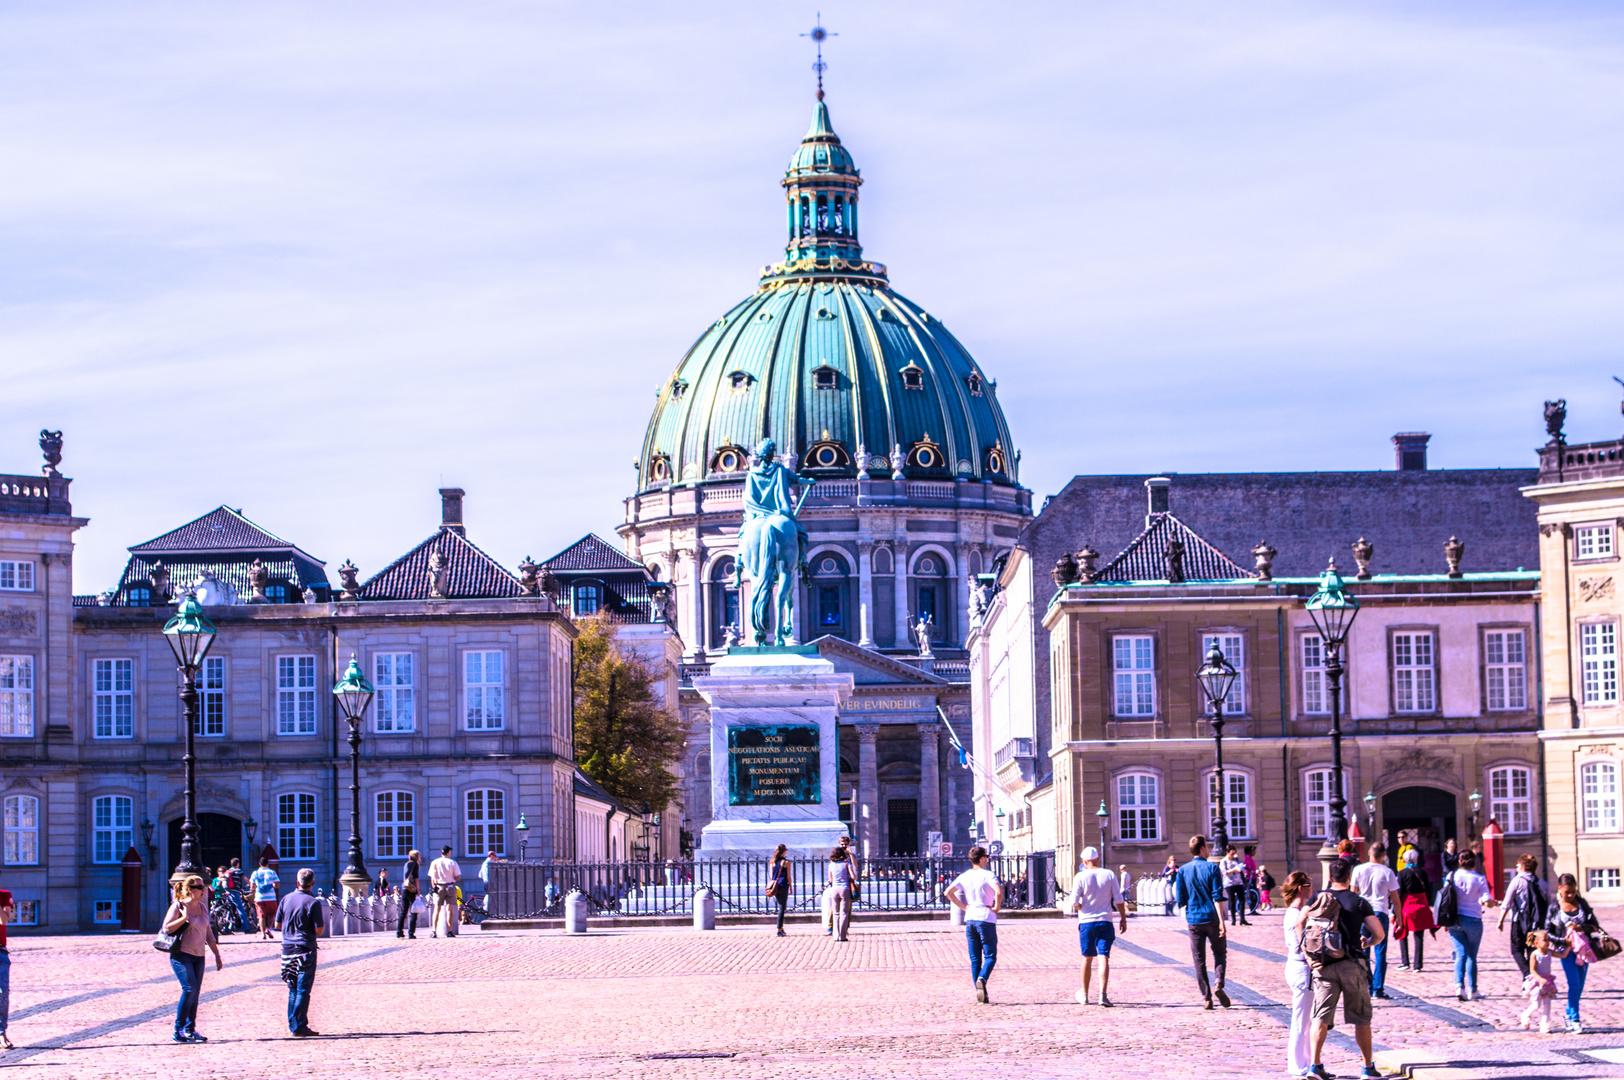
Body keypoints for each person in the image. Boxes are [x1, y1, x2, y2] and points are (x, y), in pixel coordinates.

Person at [1308, 857, 1385, 1080]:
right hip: (1352, 964)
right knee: (1361, 1017)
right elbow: (1378, 934)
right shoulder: (1358, 902)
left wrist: (1308, 958)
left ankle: (1315, 1065)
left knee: (1320, 1017)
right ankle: (1366, 1068)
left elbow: (1299, 925)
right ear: (1349, 877)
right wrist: (1367, 942)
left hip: (1323, 965)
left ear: (1330, 877)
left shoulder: (1317, 898)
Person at [161, 875, 222, 1043]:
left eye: (203, 887)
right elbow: (166, 928)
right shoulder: (178, 906)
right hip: (181, 955)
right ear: (190, 889)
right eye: (199, 887)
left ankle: (190, 1030)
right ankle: (178, 1029)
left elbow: (209, 934)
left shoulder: (202, 908)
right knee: (189, 989)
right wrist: (184, 918)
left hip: (199, 956)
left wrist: (217, 955)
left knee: (195, 993)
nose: (203, 890)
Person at [1174, 835, 1230, 1009]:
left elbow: (1180, 898)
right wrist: (1222, 921)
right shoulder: (1212, 868)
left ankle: (1206, 997)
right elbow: (1217, 896)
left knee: (1199, 960)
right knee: (1220, 953)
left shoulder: (1183, 870)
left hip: (1194, 920)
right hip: (1212, 917)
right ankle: (1219, 983)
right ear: (1203, 848)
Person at [1068, 846, 1126, 1007]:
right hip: (1105, 920)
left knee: (1087, 957)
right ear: (1097, 859)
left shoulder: (1080, 876)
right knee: (1103, 957)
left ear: (1085, 861)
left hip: (1086, 921)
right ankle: (1103, 995)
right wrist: (1123, 918)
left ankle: (1085, 994)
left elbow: (1073, 901)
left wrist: (1081, 908)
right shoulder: (1109, 874)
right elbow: (1118, 899)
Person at [1547, 872, 1605, 1033]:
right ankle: (1575, 1019)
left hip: (1584, 950)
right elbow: (1548, 931)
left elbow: (1594, 924)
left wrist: (1582, 927)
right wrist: (1563, 940)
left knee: (1580, 985)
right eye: (1567, 892)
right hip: (1566, 951)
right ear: (1559, 889)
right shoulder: (1554, 907)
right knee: (1574, 984)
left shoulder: (1582, 904)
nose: (1571, 895)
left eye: (1573, 891)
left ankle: (1568, 1012)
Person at [946, 846, 1003, 1004]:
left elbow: (948, 892)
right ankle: (982, 978)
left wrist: (964, 907)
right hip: (986, 917)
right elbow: (998, 891)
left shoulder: (965, 876)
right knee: (990, 956)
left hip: (970, 918)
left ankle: (981, 994)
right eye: (986, 857)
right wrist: (997, 907)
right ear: (982, 858)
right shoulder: (988, 875)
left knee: (975, 958)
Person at [274, 867, 326, 1037]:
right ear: (313, 883)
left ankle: (293, 1023)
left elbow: (277, 925)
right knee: (303, 990)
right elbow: (319, 930)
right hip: (305, 949)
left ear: (297, 882)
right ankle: (299, 1025)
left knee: (293, 989)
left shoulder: (286, 899)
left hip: (287, 949)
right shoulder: (313, 903)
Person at [1445, 849, 1498, 1001]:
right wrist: (1492, 904)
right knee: (1471, 956)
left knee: (1460, 954)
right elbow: (1487, 902)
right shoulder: (1479, 878)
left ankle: (1458, 986)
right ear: (1474, 862)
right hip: (1473, 919)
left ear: (1460, 861)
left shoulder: (1451, 875)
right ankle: (1473, 990)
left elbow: (1445, 896)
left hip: (1455, 919)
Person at [1350, 842, 1399, 998]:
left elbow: (1353, 894)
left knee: (1363, 950)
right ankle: (1378, 989)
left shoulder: (1358, 869)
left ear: (1369, 852)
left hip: (1362, 911)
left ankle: (1367, 984)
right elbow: (1395, 899)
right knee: (1380, 952)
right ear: (1384, 855)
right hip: (1379, 912)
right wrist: (1400, 917)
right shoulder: (1388, 872)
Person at [1280, 871, 1315, 1078]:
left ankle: (1308, 1063)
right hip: (1301, 968)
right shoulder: (1295, 914)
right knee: (1301, 1021)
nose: (1312, 888)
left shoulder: (1294, 912)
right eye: (1309, 885)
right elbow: (1298, 944)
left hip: (1297, 966)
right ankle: (1298, 1066)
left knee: (1306, 1020)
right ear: (1301, 888)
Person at [1497, 854, 1549, 980]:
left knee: (1516, 950)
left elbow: (1507, 903)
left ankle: (1528, 974)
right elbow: (1549, 902)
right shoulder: (1541, 883)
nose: (1517, 868)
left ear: (1522, 866)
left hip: (1519, 922)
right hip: (1536, 923)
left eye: (1518, 865)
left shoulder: (1517, 881)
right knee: (1531, 950)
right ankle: (1531, 979)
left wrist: (1500, 921)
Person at [1394, 849, 1434, 971]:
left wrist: (1395, 910)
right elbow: (1428, 891)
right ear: (1416, 859)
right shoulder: (1422, 873)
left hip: (1406, 906)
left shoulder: (1402, 873)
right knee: (1419, 936)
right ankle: (1417, 965)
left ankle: (1405, 961)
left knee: (1402, 933)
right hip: (1420, 905)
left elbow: (1399, 892)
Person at [1518, 929, 1557, 1034]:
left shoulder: (1549, 952)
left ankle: (1544, 1023)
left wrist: (1569, 945)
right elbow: (1532, 970)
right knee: (1536, 1004)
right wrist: (1540, 979)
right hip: (1537, 983)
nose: (1548, 942)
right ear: (1536, 943)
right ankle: (1526, 1015)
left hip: (1547, 982)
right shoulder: (1535, 954)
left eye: (1548, 940)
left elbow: (1562, 955)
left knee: (1547, 1003)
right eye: (1545, 940)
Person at [429, 846, 462, 938]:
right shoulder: (452, 862)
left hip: (439, 886)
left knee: (437, 909)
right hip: (450, 886)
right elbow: (458, 876)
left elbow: (432, 877)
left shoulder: (435, 862)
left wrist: (434, 886)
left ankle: (434, 931)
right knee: (449, 910)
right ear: (448, 853)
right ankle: (450, 931)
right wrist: (452, 878)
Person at [826, 845, 856, 942]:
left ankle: (836, 935)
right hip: (845, 889)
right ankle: (842, 936)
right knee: (844, 912)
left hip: (834, 889)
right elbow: (854, 876)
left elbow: (830, 879)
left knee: (836, 913)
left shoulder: (831, 865)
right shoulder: (847, 864)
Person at [249, 857, 280, 940]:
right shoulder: (272, 872)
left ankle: (263, 933)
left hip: (259, 897)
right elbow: (277, 885)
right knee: (272, 914)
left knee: (261, 916)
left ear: (259, 864)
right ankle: (268, 929)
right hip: (271, 897)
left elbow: (252, 887)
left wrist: (257, 888)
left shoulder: (255, 873)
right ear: (267, 863)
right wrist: (271, 885)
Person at [1220, 846, 1249, 927]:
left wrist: (1241, 867)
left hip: (1238, 882)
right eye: (1231, 853)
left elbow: (1239, 868)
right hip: (1229, 883)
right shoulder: (1224, 861)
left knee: (1242, 899)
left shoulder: (1235, 859)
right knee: (1232, 900)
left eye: (1234, 853)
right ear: (1227, 852)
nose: (1233, 855)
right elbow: (1224, 872)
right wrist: (1234, 869)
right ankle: (1233, 919)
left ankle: (1242, 919)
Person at [0, 880, 14, 1049]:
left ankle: (1, 1032)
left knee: (2, 994)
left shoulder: (4, 896)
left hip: (0, 952)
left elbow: (3, 921)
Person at [768, 844, 792, 937]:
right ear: (784, 851)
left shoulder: (772, 862)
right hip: (783, 885)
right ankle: (778, 929)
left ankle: (781, 928)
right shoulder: (786, 862)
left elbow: (771, 876)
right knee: (782, 907)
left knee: (780, 906)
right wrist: (791, 887)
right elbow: (789, 877)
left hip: (775, 886)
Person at [397, 850, 422, 938]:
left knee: (403, 911)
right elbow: (416, 879)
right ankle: (411, 933)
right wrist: (418, 891)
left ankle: (399, 931)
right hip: (412, 889)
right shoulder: (415, 865)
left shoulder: (406, 864)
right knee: (414, 911)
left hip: (404, 888)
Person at [222, 858, 249, 931]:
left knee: (230, 908)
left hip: (227, 891)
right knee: (241, 910)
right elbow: (246, 879)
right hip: (234, 892)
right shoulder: (238, 871)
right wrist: (251, 885)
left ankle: (226, 927)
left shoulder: (228, 871)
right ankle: (246, 928)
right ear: (237, 864)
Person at [1242, 845, 1260, 914]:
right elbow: (1248, 867)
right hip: (1250, 878)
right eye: (1253, 851)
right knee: (1253, 894)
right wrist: (1252, 873)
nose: (1254, 852)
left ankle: (1254, 909)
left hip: (1253, 878)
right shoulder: (1247, 857)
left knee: (1254, 894)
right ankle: (1252, 909)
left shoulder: (1250, 858)